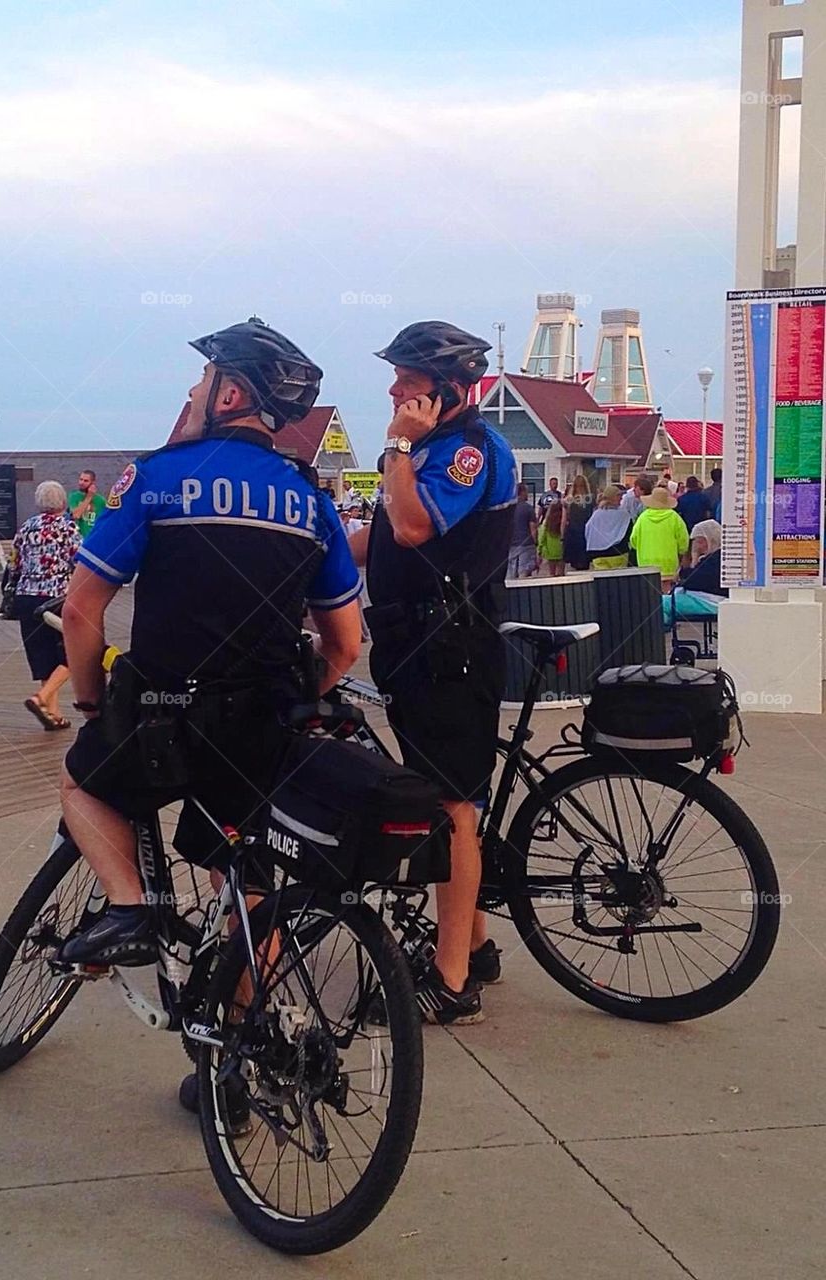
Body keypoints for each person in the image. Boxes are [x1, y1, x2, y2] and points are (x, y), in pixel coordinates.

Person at [57, 317, 361, 957]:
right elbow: (345, 645)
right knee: (246, 879)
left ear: (228, 396)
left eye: (201, 379)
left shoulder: (159, 477)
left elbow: (82, 610)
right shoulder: (311, 500)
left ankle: (130, 909)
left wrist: (89, 704)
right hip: (261, 726)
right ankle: (254, 1037)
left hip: (161, 719)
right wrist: (300, 696)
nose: (192, 392)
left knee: (83, 783)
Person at [352, 320, 518, 1025]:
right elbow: (382, 534)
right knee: (449, 802)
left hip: (451, 652)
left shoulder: (466, 453)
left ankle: (452, 983)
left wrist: (394, 446)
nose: (394, 391)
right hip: (417, 648)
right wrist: (305, 558)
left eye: (408, 383)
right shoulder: (436, 447)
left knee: (451, 812)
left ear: (447, 392)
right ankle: (472, 944)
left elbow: (414, 528)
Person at [10, 481, 82, 730]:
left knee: (41, 655)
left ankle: (53, 713)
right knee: (75, 652)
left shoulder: (26, 527)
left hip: (26, 598)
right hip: (57, 599)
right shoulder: (68, 528)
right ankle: (40, 698)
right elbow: (79, 562)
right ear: (62, 502)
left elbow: (15, 564)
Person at [629, 484, 690, 590]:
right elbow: (683, 540)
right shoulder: (674, 517)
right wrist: (681, 551)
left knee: (650, 593)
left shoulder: (643, 518)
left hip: (646, 562)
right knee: (666, 590)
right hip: (668, 562)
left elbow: (633, 540)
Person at [585, 485, 632, 569]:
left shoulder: (596, 515)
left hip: (598, 554)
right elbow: (629, 533)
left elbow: (588, 531)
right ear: (612, 497)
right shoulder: (624, 515)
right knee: (618, 581)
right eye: (619, 496)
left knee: (602, 581)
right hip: (618, 553)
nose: (621, 498)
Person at [678, 519, 726, 597]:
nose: (697, 547)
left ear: (712, 539)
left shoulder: (715, 560)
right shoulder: (710, 558)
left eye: (700, 542)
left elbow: (690, 581)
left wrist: (694, 558)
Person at [562, 473, 593, 571]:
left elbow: (565, 517)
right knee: (584, 560)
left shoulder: (569, 500)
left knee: (574, 561)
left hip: (573, 531)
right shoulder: (590, 499)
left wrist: (562, 535)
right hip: (586, 531)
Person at [506, 482, 538, 579]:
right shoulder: (528, 509)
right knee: (524, 572)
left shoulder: (508, 508)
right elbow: (533, 528)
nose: (528, 494)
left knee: (511, 573)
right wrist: (536, 543)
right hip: (526, 544)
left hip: (512, 544)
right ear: (522, 492)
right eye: (526, 491)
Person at [68, 469, 107, 538]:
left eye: (86, 481)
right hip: (77, 538)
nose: (82, 483)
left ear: (93, 482)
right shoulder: (73, 496)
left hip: (92, 538)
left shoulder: (101, 501)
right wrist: (89, 497)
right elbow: (75, 515)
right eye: (81, 479)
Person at [537, 500, 565, 575]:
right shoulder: (564, 521)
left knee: (551, 573)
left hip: (550, 551)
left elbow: (541, 537)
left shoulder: (547, 523)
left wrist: (539, 549)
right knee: (561, 573)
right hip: (561, 550)